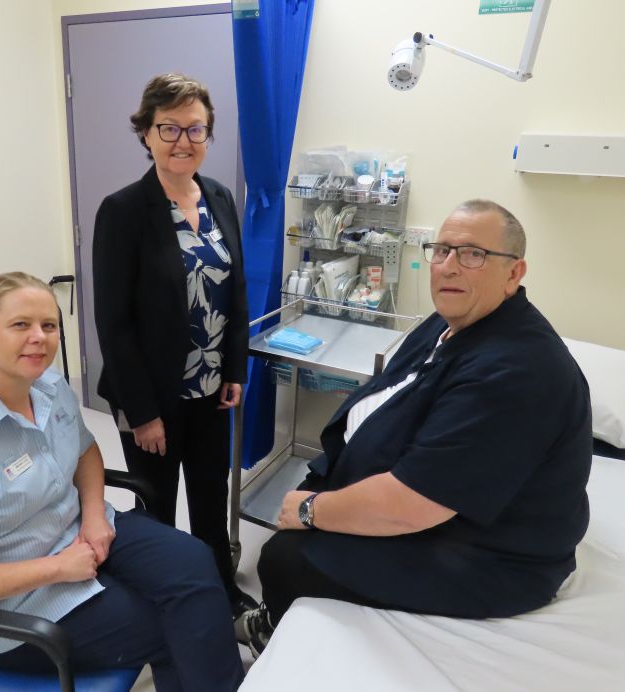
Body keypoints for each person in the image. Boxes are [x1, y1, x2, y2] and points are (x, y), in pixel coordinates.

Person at [237, 200, 592, 656]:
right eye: (441, 250)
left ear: (514, 273)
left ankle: (272, 634)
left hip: (491, 554)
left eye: (472, 254)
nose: (448, 267)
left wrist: (312, 511)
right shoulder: (452, 321)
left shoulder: (516, 373)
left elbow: (416, 506)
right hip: (430, 502)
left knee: (286, 557)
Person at [0, 272, 244, 691]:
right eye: (20, 324)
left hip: (78, 531)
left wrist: (95, 516)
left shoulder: (48, 386)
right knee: (174, 626)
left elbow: (85, 451)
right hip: (9, 608)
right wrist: (57, 567)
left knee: (194, 562)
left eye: (49, 325)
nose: (39, 337)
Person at [92, 73, 255, 618]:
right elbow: (113, 323)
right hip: (153, 398)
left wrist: (234, 367)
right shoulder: (123, 211)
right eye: (169, 128)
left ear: (208, 136)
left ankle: (219, 589)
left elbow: (234, 290)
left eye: (195, 129)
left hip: (210, 389)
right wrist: (142, 413)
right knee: (157, 505)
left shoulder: (220, 197)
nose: (183, 141)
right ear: (146, 134)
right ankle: (163, 600)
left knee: (210, 496)